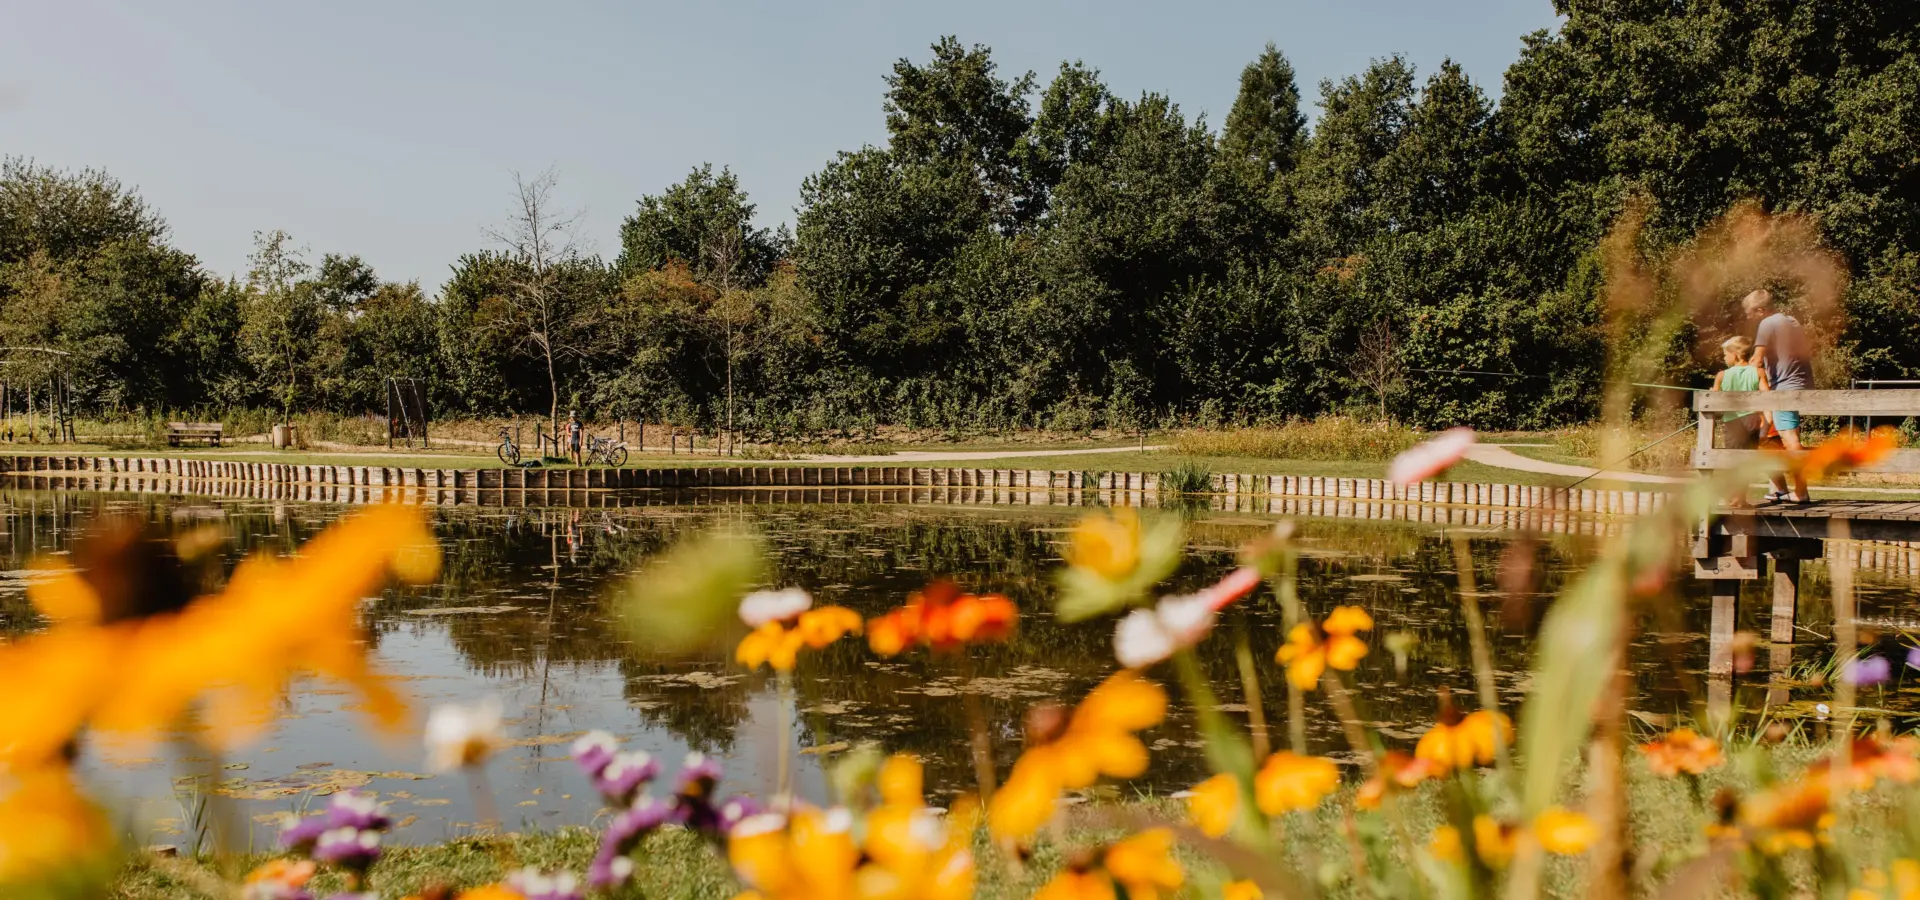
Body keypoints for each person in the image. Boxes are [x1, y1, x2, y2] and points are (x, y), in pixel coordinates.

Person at [1743, 289, 1812, 502]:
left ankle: (1801, 493)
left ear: (1761, 310)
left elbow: (1756, 360)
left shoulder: (1767, 324)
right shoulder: (1792, 321)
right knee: (1776, 438)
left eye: (1749, 313)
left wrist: (1735, 381)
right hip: (1801, 384)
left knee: (1789, 439)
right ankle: (1780, 489)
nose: (1748, 317)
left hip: (1784, 388)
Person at [1711, 335, 1768, 506]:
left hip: (1732, 421)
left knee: (1732, 459)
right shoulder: (1758, 372)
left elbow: (1714, 400)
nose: (1724, 358)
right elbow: (1768, 397)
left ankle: (1732, 496)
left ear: (1735, 355)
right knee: (1747, 460)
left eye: (1725, 355)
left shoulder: (1722, 376)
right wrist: (1767, 422)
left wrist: (1711, 392)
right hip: (1752, 420)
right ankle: (1740, 498)